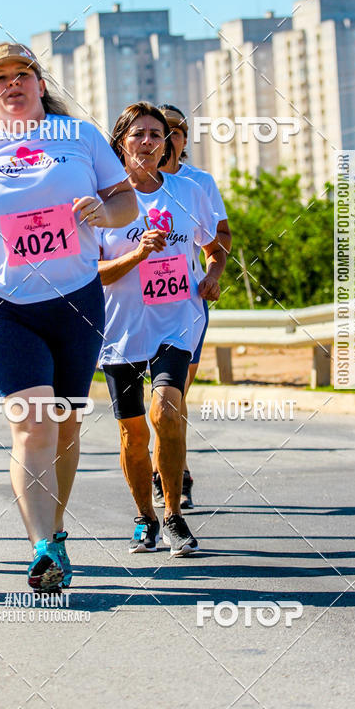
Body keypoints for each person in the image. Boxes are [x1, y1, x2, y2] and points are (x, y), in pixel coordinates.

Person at [0, 42, 137, 593]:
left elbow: (126, 202)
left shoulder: (81, 138)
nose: (12, 84)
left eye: (21, 74)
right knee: (31, 421)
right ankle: (42, 547)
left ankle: (55, 529)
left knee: (66, 425)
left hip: (76, 300)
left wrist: (106, 210)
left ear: (40, 83)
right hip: (1, 306)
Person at [97, 102, 221, 556]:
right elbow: (94, 273)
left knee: (167, 413)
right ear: (120, 144)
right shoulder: (102, 202)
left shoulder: (187, 192)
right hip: (121, 329)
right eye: (138, 135)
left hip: (176, 319)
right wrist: (137, 256)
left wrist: (212, 274)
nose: (148, 142)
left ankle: (172, 514)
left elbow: (215, 242)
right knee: (133, 435)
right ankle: (143, 517)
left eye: (156, 134)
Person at [151, 104, 232, 510]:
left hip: (185, 305)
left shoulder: (198, 183)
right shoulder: (124, 185)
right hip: (135, 312)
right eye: (161, 131)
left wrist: (212, 277)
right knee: (149, 408)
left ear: (183, 140)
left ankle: (173, 473)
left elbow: (219, 238)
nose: (169, 138)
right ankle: (163, 470)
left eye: (177, 131)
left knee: (174, 396)